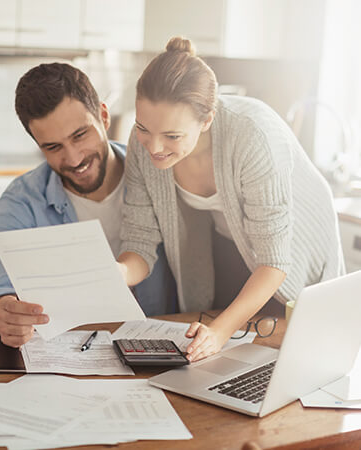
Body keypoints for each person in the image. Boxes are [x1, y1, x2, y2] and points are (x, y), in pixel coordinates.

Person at [117, 37, 345, 362]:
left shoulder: (253, 136)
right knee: (223, 350)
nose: (153, 147)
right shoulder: (143, 145)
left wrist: (220, 332)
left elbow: (274, 261)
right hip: (230, 236)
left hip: (293, 244)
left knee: (288, 346)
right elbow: (139, 241)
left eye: (172, 136)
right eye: (143, 128)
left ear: (207, 119)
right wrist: (118, 273)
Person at [0, 62, 177, 347]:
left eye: (80, 135)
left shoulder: (157, 174)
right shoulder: (21, 200)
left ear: (103, 115)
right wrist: (5, 314)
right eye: (53, 147)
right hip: (69, 353)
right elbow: (2, 292)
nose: (74, 159)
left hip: (161, 347)